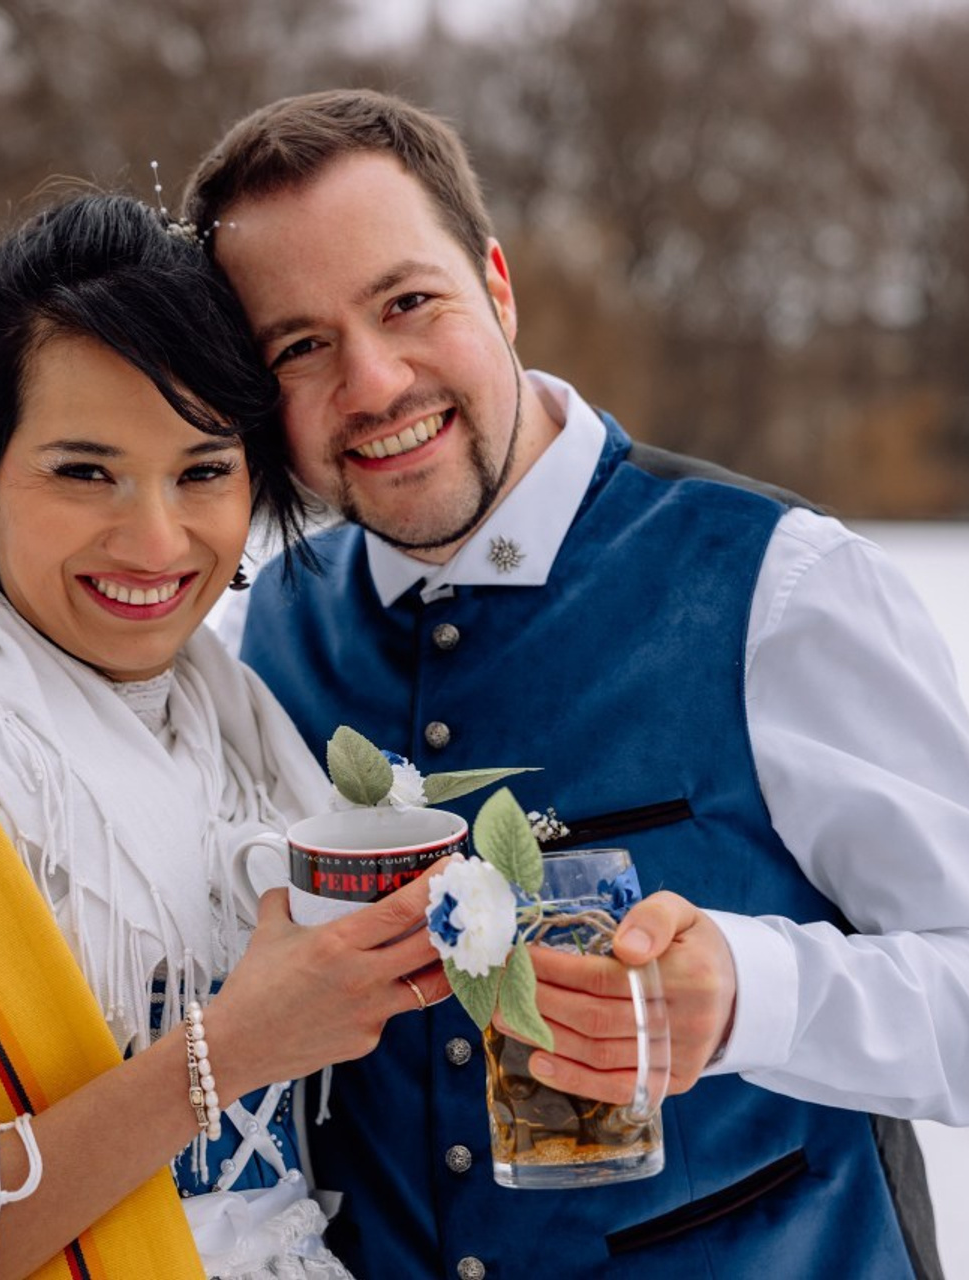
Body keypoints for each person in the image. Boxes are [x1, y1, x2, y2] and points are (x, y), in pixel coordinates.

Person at [182, 89, 969, 1278]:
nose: (374, 380)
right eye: (299, 346)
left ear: (495, 286)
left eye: (408, 301)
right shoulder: (264, 630)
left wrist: (753, 993)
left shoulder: (774, 585)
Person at [0, 191, 450, 1280]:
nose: (154, 538)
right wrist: (223, 1055)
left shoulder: (259, 741)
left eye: (203, 470)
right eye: (84, 472)